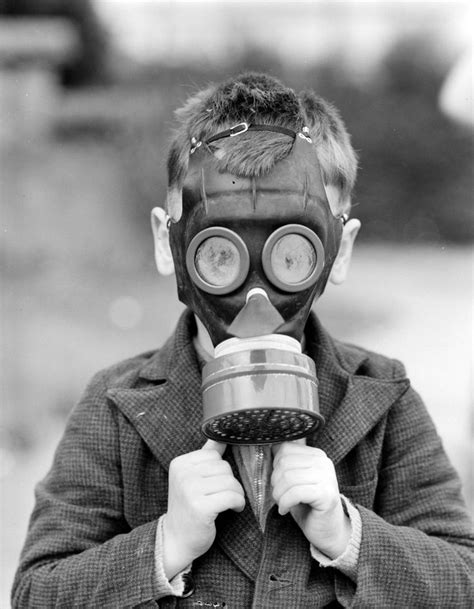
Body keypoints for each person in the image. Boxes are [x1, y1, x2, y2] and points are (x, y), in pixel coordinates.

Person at [12, 73, 473, 608]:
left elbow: (462, 580)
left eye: (290, 257)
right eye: (220, 255)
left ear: (338, 251)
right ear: (169, 244)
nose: (255, 298)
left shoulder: (383, 400)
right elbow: (35, 593)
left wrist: (348, 536)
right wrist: (164, 545)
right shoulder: (117, 408)